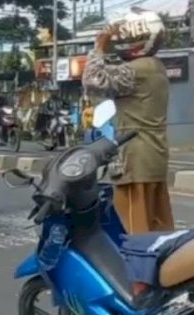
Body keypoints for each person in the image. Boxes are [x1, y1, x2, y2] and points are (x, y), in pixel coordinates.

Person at [82, 8, 174, 234]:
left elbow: (92, 81)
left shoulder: (135, 71)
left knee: (133, 230)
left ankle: (136, 270)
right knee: (158, 228)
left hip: (134, 159)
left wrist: (99, 47)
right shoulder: (155, 67)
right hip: (154, 156)